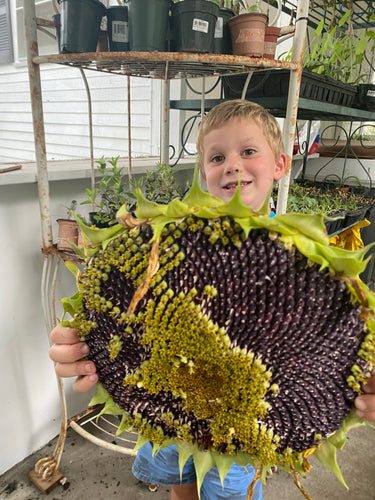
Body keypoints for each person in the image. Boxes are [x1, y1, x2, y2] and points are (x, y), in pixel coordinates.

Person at [49, 100, 375, 500]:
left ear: (280, 165)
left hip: (244, 428)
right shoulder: (167, 244)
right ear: (204, 173)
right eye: (218, 156)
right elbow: (126, 309)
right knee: (179, 480)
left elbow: (335, 339)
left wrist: (362, 377)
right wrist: (88, 338)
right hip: (165, 401)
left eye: (249, 151)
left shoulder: (303, 266)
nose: (233, 165)